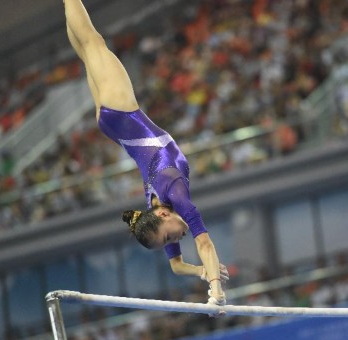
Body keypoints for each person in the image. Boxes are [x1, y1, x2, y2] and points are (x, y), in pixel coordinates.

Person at [63, 0, 228, 308]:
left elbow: (203, 241)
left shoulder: (175, 192)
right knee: (87, 51)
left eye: (167, 239)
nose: (174, 242)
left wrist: (216, 289)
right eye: (168, 242)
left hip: (121, 109)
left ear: (162, 216)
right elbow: (176, 267)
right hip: (111, 123)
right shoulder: (155, 206)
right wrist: (202, 272)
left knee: (93, 42)